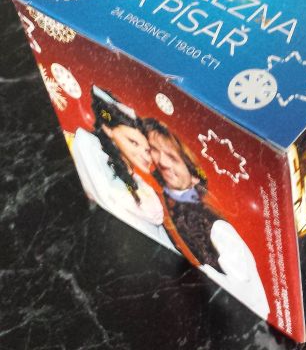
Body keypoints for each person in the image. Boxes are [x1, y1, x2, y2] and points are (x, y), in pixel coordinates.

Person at [144, 118, 270, 319]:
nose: (163, 162)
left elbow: (251, 296)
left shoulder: (216, 227)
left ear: (193, 174)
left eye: (172, 157)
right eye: (154, 151)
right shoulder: (157, 200)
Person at [71, 86, 176, 251]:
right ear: (108, 129)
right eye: (133, 142)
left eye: (147, 150)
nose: (144, 155)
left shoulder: (135, 180)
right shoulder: (89, 146)